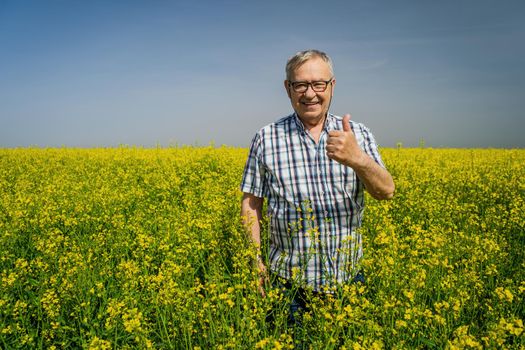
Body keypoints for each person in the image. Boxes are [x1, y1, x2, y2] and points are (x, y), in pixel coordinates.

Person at [240, 49, 394, 324]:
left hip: (348, 282)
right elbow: (251, 206)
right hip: (287, 287)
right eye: (300, 84)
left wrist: (358, 159)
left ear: (332, 86)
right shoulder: (266, 138)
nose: (310, 93)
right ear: (288, 89)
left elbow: (386, 191)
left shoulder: (357, 134)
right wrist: (255, 264)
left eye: (318, 84)